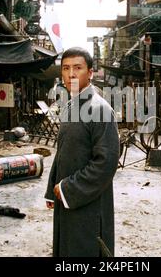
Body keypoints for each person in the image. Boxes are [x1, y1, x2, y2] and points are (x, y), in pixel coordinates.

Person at [44, 47, 120, 257]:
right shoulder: (70, 106)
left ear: (90, 72)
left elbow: (106, 163)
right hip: (66, 197)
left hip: (89, 202)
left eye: (77, 68)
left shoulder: (100, 109)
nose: (71, 74)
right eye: (66, 68)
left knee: (86, 250)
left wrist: (69, 188)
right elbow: (62, 152)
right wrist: (53, 189)